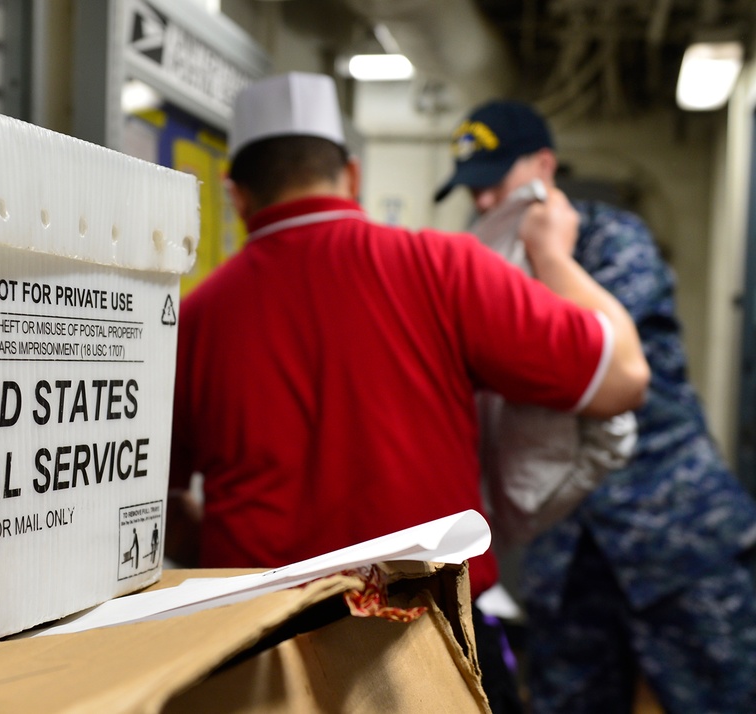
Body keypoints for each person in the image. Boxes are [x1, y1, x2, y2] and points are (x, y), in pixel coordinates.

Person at [167, 72, 649, 712]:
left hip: (262, 663)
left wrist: (232, 550)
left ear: (236, 195)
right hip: (428, 654)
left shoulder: (196, 321)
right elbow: (621, 379)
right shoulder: (442, 267)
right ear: (353, 176)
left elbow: (152, 504)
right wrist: (552, 255)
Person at [435, 98, 756, 714]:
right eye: (472, 190)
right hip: (571, 556)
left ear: (544, 166)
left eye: (495, 182)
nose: (482, 203)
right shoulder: (486, 266)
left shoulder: (613, 239)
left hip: (673, 535)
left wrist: (551, 256)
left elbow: (601, 357)